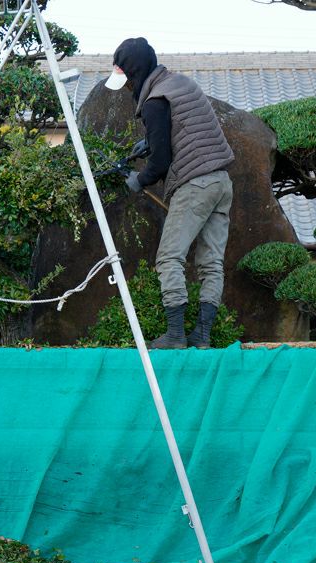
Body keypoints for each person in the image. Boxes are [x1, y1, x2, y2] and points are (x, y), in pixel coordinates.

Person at [106, 38, 235, 349]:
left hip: (196, 185)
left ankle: (175, 335)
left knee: (168, 258)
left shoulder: (154, 101)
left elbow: (161, 162)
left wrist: (139, 179)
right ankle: (202, 336)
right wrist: (150, 142)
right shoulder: (179, 84)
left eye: (127, 81)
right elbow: (185, 130)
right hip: (221, 182)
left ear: (135, 73)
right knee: (211, 263)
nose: (128, 88)